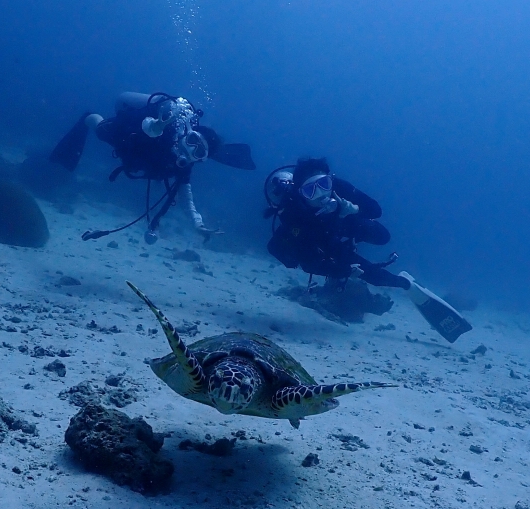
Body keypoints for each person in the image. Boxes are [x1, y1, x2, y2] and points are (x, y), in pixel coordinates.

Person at [266, 157, 472, 343]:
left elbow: (376, 210)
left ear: (331, 180)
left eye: (324, 184)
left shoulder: (339, 188)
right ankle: (405, 283)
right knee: (367, 274)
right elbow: (308, 262)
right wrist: (343, 270)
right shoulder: (295, 215)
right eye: (311, 190)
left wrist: (353, 210)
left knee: (382, 236)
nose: (320, 194)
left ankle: (389, 276)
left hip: (347, 223)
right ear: (300, 194)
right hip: (324, 243)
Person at [50, 92, 253, 243]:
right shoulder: (169, 131)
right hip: (132, 138)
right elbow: (150, 126)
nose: (189, 150)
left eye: (198, 152)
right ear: (187, 132)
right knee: (101, 130)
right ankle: (88, 116)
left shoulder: (184, 166)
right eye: (192, 141)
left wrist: (197, 224)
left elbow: (186, 196)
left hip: (137, 156)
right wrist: (156, 127)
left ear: (200, 160)